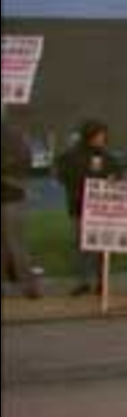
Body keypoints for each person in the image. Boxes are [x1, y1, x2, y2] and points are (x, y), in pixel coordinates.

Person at [55, 120, 122, 296]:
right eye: (100, 135)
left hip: (100, 210)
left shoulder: (106, 156)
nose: (103, 138)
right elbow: (60, 173)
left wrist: (114, 178)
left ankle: (101, 281)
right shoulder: (72, 155)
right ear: (90, 136)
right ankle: (83, 281)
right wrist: (76, 186)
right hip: (79, 207)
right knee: (81, 245)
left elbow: (118, 172)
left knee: (101, 246)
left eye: (104, 135)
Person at [1, 117, 42, 299]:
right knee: (15, 244)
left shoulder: (12, 136)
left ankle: (29, 286)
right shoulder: (15, 134)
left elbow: (23, 159)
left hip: (11, 196)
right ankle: (28, 286)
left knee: (16, 244)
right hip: (13, 195)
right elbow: (26, 159)